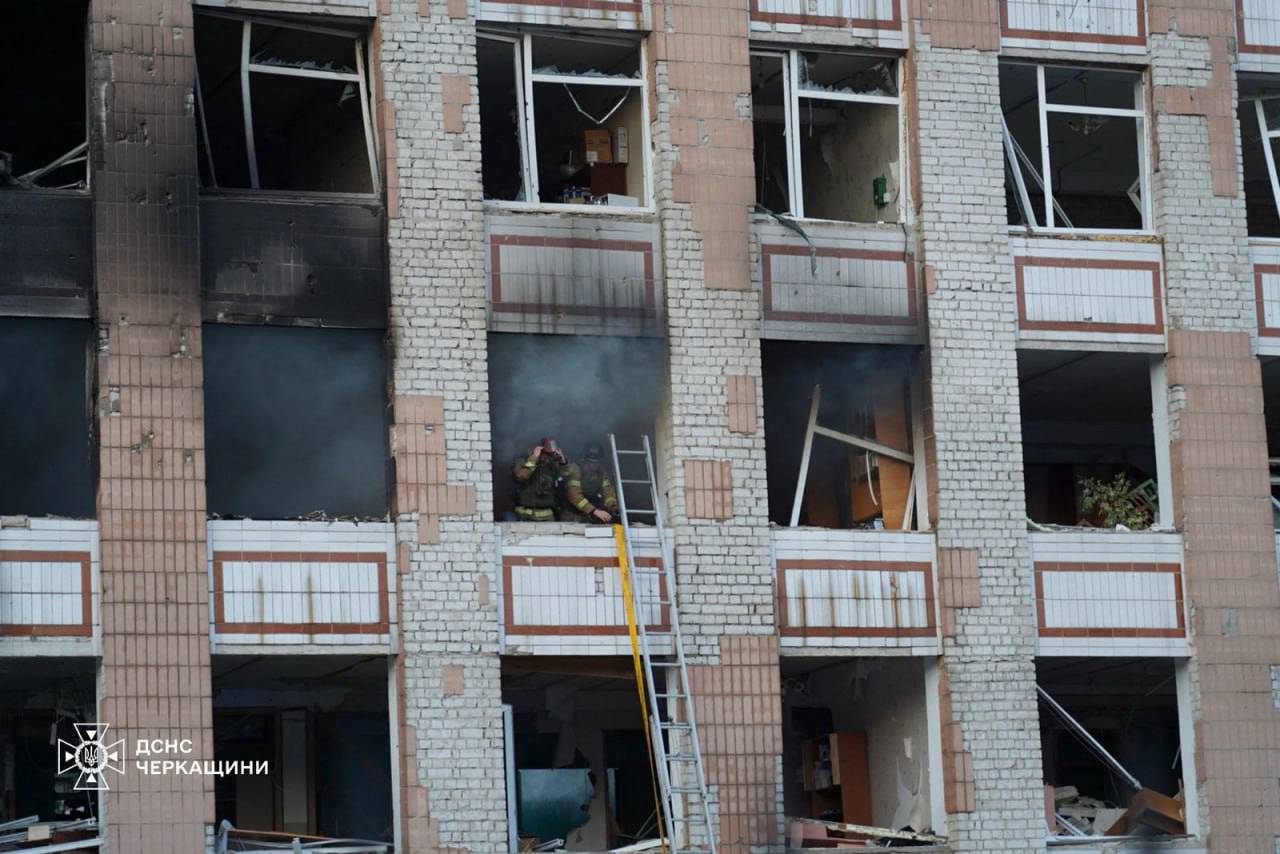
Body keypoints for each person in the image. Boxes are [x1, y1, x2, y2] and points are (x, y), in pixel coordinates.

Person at [559, 443, 618, 524]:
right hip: (571, 512)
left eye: (597, 462)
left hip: (589, 512)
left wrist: (613, 507)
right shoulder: (576, 469)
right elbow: (573, 495)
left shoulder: (602, 472)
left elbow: (608, 491)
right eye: (591, 462)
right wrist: (594, 511)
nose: (595, 465)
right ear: (585, 460)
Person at [512, 437, 567, 522]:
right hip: (525, 514)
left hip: (547, 515)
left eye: (550, 454)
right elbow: (521, 476)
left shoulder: (551, 465)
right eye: (546, 454)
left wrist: (563, 463)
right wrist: (534, 458)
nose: (548, 457)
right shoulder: (523, 461)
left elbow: (567, 479)